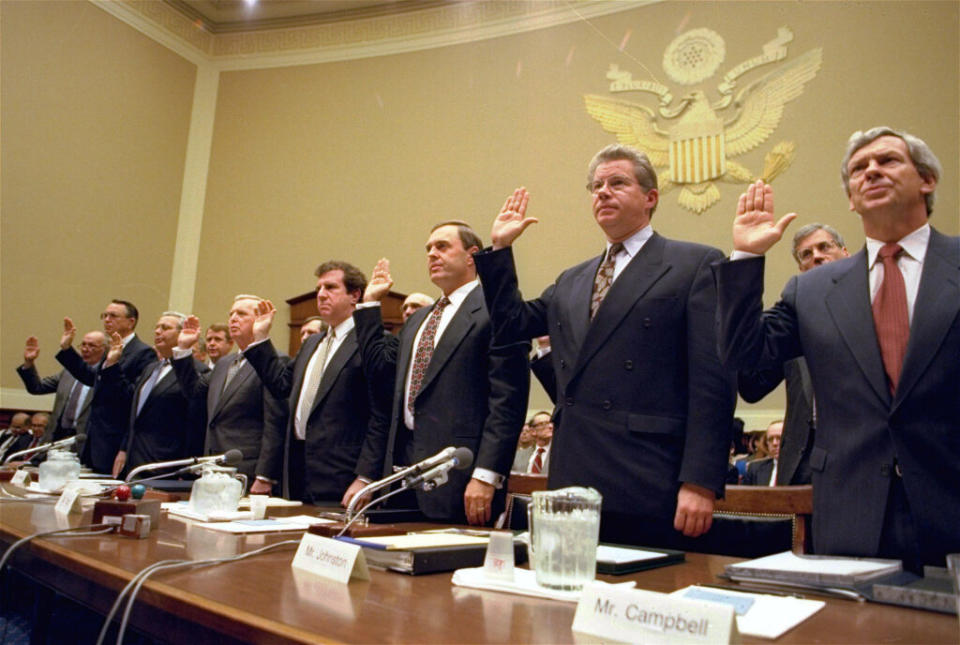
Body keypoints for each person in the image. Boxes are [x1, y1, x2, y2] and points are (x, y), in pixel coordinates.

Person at [714, 126, 959, 569]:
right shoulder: (812, 291)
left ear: (927, 181)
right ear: (851, 198)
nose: (871, 172)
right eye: (859, 169)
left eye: (887, 161)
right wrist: (746, 259)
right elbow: (744, 360)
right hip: (852, 513)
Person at [474, 144, 735, 548]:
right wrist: (501, 250)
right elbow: (512, 324)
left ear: (650, 198)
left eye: (617, 183)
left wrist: (700, 480)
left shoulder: (694, 264)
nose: (602, 192)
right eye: (596, 186)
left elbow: (712, 381)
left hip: (649, 476)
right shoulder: (573, 279)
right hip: (573, 474)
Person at [347, 224, 530, 526]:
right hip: (402, 475)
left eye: (442, 246)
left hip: (461, 478)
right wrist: (369, 306)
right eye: (429, 248)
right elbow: (381, 375)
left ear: (472, 256)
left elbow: (508, 400)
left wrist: (486, 475)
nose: (432, 253)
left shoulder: (494, 311)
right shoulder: (420, 318)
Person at [245, 262, 385, 504]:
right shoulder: (312, 343)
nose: (321, 294)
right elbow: (281, 385)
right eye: (319, 288)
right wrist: (260, 339)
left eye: (330, 287)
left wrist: (365, 477)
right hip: (298, 470)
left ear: (355, 295)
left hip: (342, 476)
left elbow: (381, 414)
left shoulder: (369, 342)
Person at [738, 223, 849, 486]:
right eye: (806, 254)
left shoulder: (871, 305)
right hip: (803, 459)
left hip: (859, 452)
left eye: (824, 247)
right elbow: (753, 385)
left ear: (845, 253)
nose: (816, 256)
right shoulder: (791, 322)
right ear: (801, 268)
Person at [170, 296, 287, 493]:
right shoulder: (224, 363)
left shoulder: (274, 361)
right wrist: (183, 349)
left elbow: (274, 422)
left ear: (260, 320)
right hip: (214, 466)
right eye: (231, 314)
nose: (233, 318)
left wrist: (265, 475)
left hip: (247, 468)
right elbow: (195, 391)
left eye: (241, 314)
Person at [99, 312, 209, 478]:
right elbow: (133, 407)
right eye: (157, 327)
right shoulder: (151, 368)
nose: (158, 331)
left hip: (167, 462)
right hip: (135, 458)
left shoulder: (197, 370)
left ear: (182, 333)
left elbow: (195, 422)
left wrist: (187, 467)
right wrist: (112, 364)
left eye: (165, 328)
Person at [56, 300, 155, 473]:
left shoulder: (143, 353)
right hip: (94, 438)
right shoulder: (112, 347)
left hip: (116, 441)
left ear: (131, 321)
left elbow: (131, 397)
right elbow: (94, 379)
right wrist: (67, 349)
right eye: (105, 315)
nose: (107, 320)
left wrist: (112, 365)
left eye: (113, 316)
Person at [17, 331, 107, 444]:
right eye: (83, 344)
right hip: (59, 435)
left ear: (105, 349)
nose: (85, 349)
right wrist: (29, 362)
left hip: (86, 439)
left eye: (92, 346)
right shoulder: (68, 373)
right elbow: (37, 388)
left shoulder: (106, 376)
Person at [742, 421, 783, 486]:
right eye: (770, 439)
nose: (774, 443)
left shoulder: (801, 470)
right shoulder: (754, 468)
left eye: (779, 438)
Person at [525, 411, 553, 475]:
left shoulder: (561, 454)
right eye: (544, 423)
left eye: (551, 423)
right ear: (533, 431)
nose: (550, 426)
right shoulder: (519, 456)